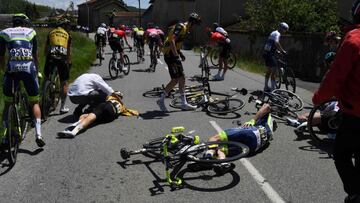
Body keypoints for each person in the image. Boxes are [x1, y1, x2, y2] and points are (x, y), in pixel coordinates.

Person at [312, 1, 360, 202]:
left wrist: (318, 98)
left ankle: (355, 193)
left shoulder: (354, 39)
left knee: (341, 154)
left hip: (355, 113)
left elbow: (334, 78)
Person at [188, 103, 276, 174]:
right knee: (221, 149)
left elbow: (267, 106)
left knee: (214, 139)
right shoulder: (269, 135)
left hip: (252, 132)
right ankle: (222, 162)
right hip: (254, 146)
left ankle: (207, 158)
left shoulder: (268, 117)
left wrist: (252, 120)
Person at [0, 14, 45, 147]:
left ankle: (4, 136)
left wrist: (4, 71)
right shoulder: (31, 32)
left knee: (8, 104)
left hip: (12, 68)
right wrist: (37, 71)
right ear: (25, 23)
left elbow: (1, 56)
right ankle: (38, 134)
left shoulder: (4, 32)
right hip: (28, 68)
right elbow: (35, 55)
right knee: (34, 101)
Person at [157, 13, 202, 112]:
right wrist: (176, 55)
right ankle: (162, 100)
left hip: (172, 54)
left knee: (180, 78)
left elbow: (175, 43)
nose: (195, 27)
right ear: (192, 22)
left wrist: (180, 53)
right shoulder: (181, 27)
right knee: (176, 79)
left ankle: (183, 103)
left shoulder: (185, 28)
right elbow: (172, 40)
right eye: (195, 24)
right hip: (170, 55)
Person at [58, 91, 138, 138]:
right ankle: (78, 125)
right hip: (110, 117)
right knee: (88, 117)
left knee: (90, 115)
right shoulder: (122, 106)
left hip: (106, 106)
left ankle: (74, 130)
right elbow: (131, 112)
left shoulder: (111, 97)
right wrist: (137, 113)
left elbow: (100, 97)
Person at [44, 17, 72, 114]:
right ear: (64, 26)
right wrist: (69, 62)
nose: (69, 28)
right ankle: (62, 107)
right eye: (68, 26)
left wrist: (46, 58)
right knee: (64, 82)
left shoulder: (51, 32)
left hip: (51, 57)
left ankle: (44, 95)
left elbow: (46, 48)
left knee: (46, 77)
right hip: (62, 58)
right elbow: (68, 51)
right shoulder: (68, 35)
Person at [263, 22, 289, 92]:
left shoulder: (273, 32)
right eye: (285, 30)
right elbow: (276, 42)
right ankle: (273, 90)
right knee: (273, 71)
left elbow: (270, 44)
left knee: (268, 71)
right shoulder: (278, 34)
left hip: (266, 53)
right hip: (270, 54)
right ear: (282, 29)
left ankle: (266, 87)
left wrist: (277, 51)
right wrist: (282, 50)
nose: (285, 32)